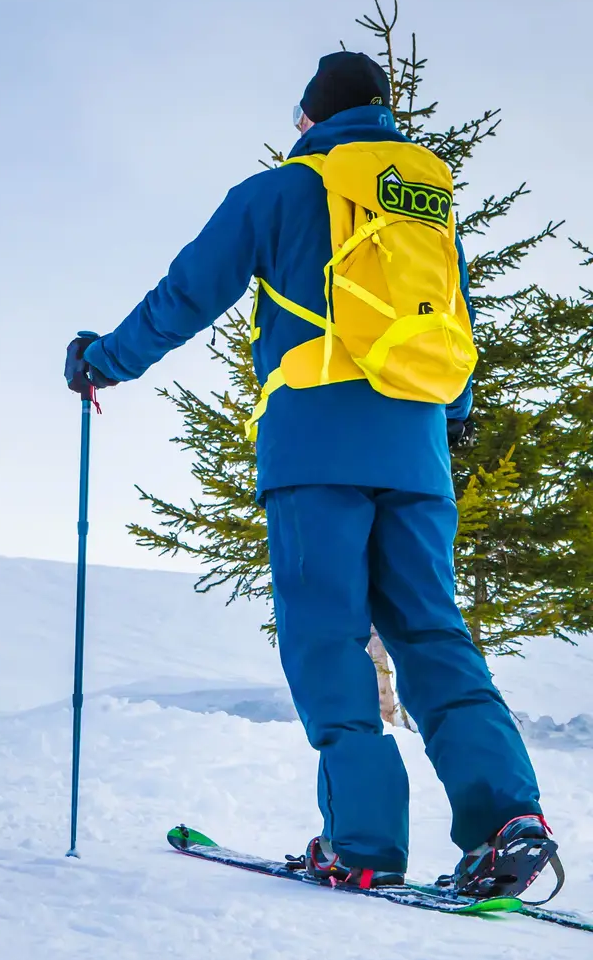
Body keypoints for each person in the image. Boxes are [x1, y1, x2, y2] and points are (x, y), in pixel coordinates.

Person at [65, 52, 557, 898]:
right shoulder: (427, 207)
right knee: (434, 634)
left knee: (328, 637)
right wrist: (441, 422)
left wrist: (101, 363)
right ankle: (509, 820)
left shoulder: (282, 191)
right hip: (417, 450)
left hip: (315, 448)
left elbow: (185, 295)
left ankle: (363, 842)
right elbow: (455, 328)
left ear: (307, 119)